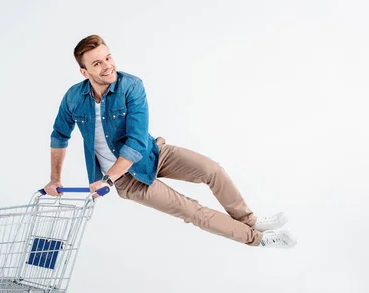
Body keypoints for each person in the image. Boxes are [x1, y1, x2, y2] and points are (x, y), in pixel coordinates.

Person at [43, 34, 297, 249]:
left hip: (152, 153)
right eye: (97, 63)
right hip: (127, 180)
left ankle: (249, 219)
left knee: (212, 170)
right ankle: (259, 239)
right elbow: (59, 135)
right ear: (84, 71)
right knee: (191, 210)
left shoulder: (131, 86)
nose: (108, 66)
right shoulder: (73, 98)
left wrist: (106, 179)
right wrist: (56, 179)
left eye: (108, 57)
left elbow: (135, 141)